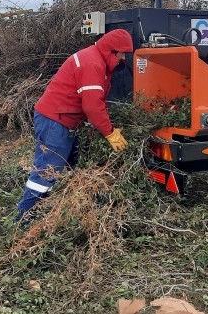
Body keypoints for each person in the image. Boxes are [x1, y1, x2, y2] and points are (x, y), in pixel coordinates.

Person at [14, 29, 134, 221]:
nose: (123, 58)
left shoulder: (98, 60)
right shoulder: (91, 63)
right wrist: (110, 133)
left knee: (70, 165)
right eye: (122, 54)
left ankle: (59, 211)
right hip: (55, 120)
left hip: (61, 119)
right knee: (48, 170)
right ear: (112, 50)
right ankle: (24, 219)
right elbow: (93, 106)